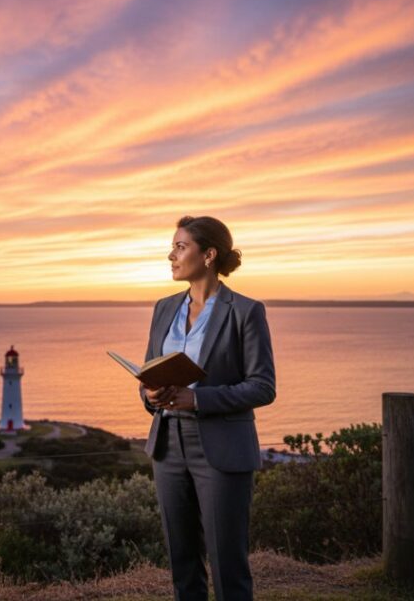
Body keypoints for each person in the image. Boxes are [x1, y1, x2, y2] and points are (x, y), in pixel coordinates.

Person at [139, 215, 276, 601]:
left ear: (210, 254)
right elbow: (150, 370)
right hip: (167, 445)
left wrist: (198, 398)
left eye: (181, 247)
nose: (171, 255)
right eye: (173, 246)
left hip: (220, 448)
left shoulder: (246, 311)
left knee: (227, 566)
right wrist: (149, 396)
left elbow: (263, 386)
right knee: (182, 564)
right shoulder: (163, 308)